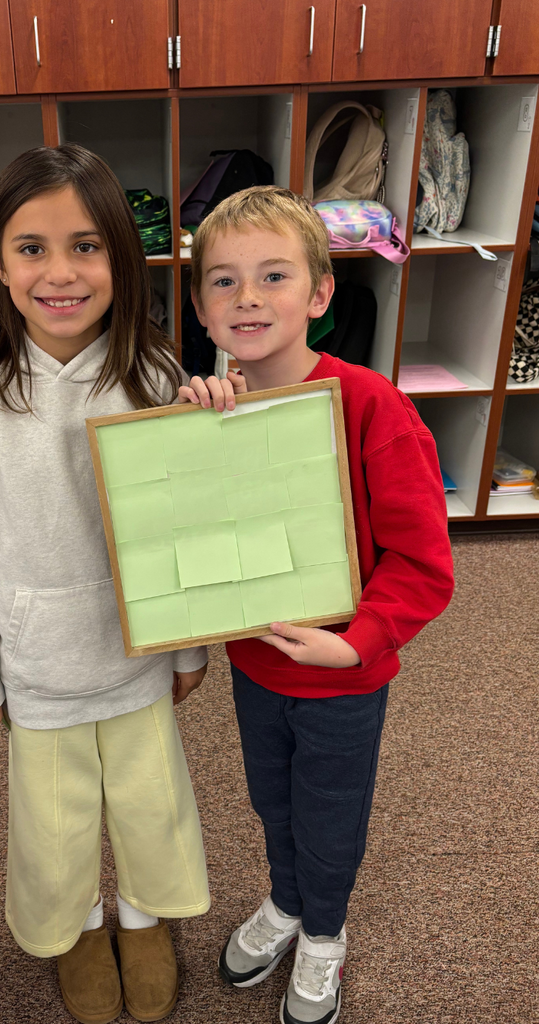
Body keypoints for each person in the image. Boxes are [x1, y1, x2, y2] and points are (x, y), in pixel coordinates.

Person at [0, 144, 210, 1024]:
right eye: (31, 248)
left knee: (152, 806)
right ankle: (76, 928)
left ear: (121, 256)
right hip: (36, 666)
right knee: (54, 821)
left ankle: (144, 921)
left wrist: (187, 646)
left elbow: (182, 528)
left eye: (85, 245)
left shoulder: (155, 377)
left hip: (136, 653)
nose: (61, 273)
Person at [179, 185, 454, 1024]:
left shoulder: (370, 404)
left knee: (329, 819)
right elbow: (190, 532)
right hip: (257, 662)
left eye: (273, 276)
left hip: (342, 674)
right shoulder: (212, 409)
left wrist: (359, 641)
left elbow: (422, 563)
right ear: (199, 307)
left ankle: (324, 934)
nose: (247, 297)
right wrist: (184, 439)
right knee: (272, 803)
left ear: (320, 294)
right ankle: (286, 904)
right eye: (223, 281)